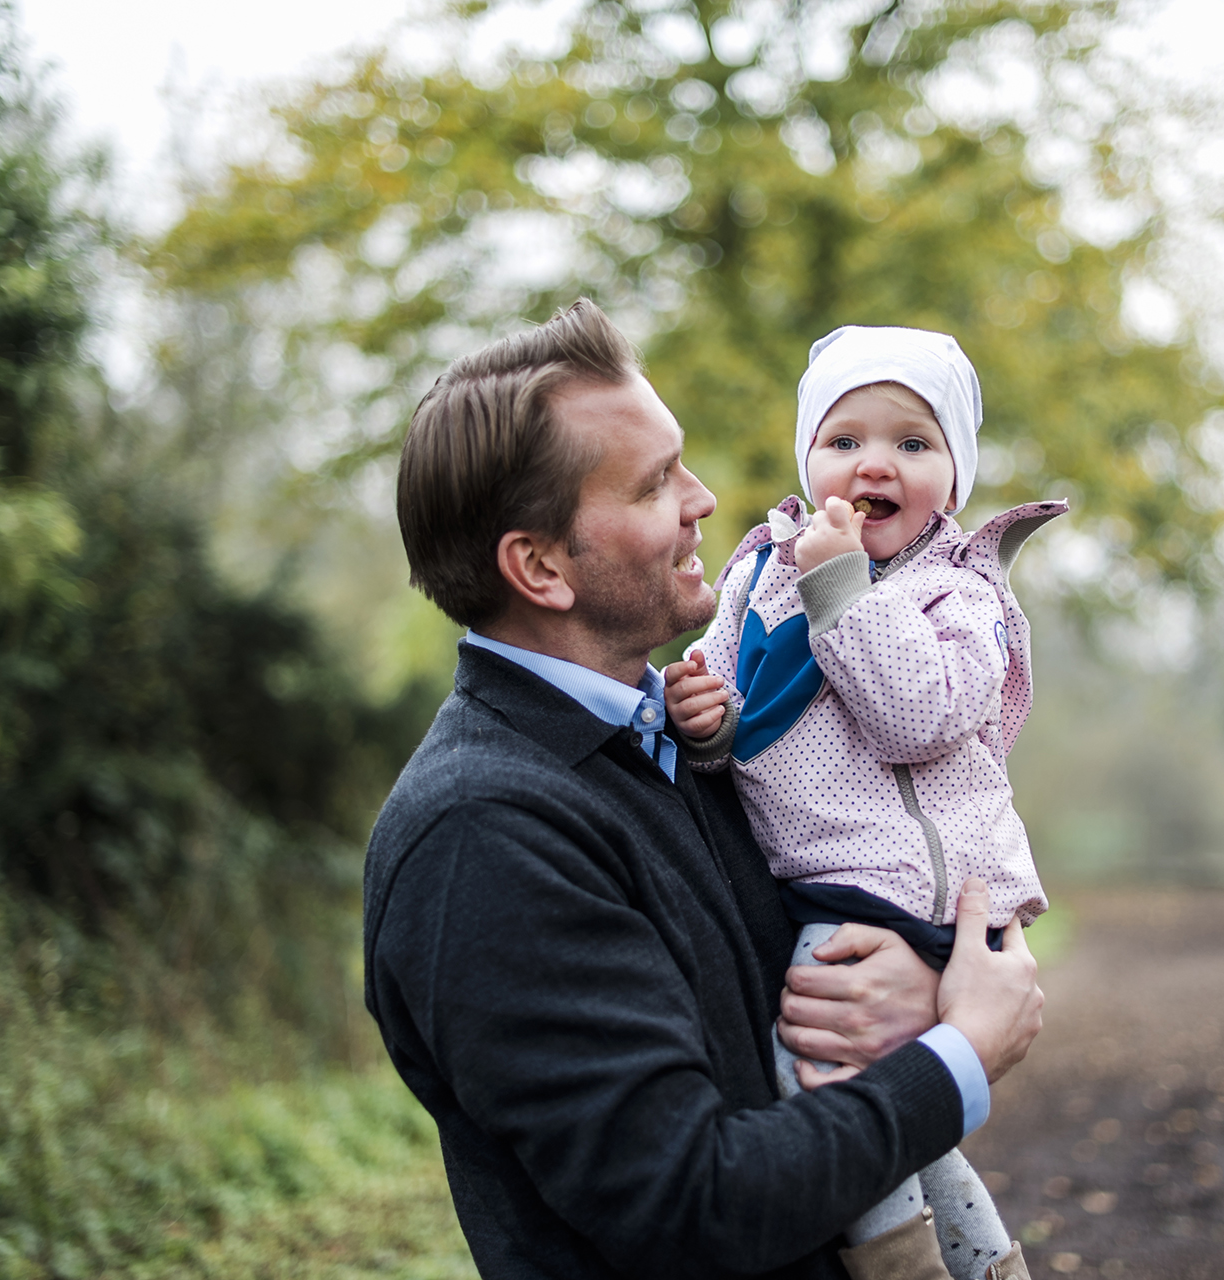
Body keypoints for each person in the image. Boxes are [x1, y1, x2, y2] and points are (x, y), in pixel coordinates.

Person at [362, 299, 1045, 1280]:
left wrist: (929, 983)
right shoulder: (483, 831)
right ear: (542, 565)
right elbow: (691, 1201)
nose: (707, 498)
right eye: (655, 484)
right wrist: (960, 1057)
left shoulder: (682, 741)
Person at [662, 326, 1066, 1279]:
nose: (874, 462)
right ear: (807, 457)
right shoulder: (759, 573)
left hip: (915, 893)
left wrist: (839, 586)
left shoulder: (958, 591)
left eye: (913, 444)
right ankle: (986, 1262)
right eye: (844, 440)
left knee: (817, 1074)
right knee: (905, 1123)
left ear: (954, 481)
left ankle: (897, 1267)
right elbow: (736, 708)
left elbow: (919, 717)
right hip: (823, 883)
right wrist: (703, 718)